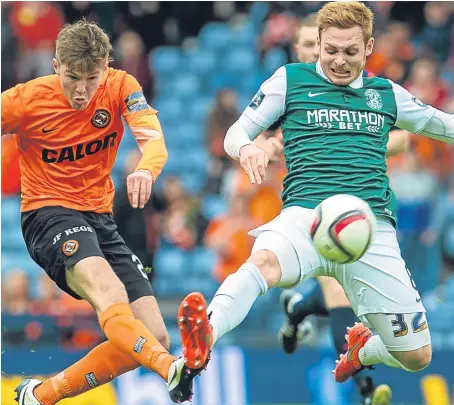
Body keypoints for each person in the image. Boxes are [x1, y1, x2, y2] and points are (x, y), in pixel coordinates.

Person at [177, 0, 453, 397]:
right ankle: (206, 335)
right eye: (331, 51)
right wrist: (247, 149)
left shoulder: (386, 94)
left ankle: (361, 352)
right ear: (319, 43)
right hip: (305, 217)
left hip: (370, 229)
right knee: (264, 263)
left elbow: (442, 125)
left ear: (369, 46)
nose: (339, 61)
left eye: (350, 52)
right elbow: (235, 133)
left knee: (416, 355)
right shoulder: (290, 81)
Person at [2, 19, 200, 405]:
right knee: (111, 294)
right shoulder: (25, 99)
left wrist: (145, 169)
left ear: (106, 67)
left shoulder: (122, 86)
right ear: (56, 66)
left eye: (91, 78)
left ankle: (40, 395)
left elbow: (154, 140)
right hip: (48, 214)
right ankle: (169, 367)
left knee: (151, 335)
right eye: (72, 77)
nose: (81, 90)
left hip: (99, 219)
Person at [267, 13, 409, 405]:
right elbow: (262, 142)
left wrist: (361, 138)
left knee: (349, 294)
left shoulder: (368, 91)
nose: (324, 54)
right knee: (341, 295)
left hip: (366, 206)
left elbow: (404, 142)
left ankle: (297, 309)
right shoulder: (289, 91)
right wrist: (267, 147)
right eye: (312, 46)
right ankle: (364, 388)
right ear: (300, 50)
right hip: (315, 209)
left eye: (325, 45)